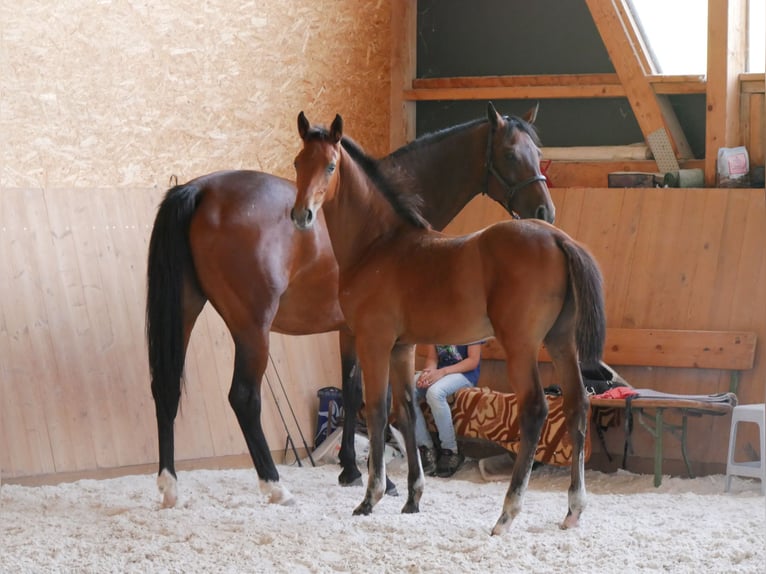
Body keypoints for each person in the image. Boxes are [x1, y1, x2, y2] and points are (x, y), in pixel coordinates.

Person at [413, 343, 482, 478]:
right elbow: (432, 358)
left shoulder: (470, 323)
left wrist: (442, 372)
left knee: (435, 393)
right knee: (406, 392)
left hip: (464, 374)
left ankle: (450, 450)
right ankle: (426, 449)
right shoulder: (435, 324)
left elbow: (473, 361)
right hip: (439, 372)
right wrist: (427, 373)